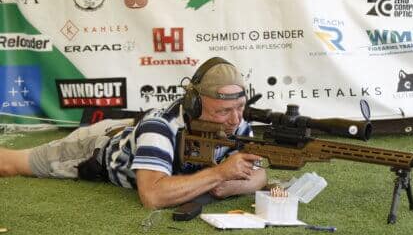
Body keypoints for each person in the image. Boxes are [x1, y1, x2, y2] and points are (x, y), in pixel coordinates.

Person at [0, 57, 267, 209]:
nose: (235, 119)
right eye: (223, 111)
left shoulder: (236, 124)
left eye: (240, 107)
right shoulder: (160, 128)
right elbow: (153, 196)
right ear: (194, 105)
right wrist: (219, 174)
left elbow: (260, 175)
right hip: (96, 147)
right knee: (10, 164)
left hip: (135, 133)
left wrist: (225, 186)